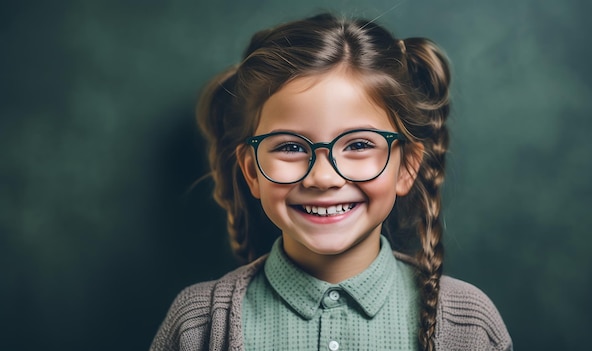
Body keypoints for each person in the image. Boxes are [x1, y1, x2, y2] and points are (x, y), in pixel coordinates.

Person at [150, 13, 512, 351]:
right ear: (251, 171)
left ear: (406, 168)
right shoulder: (196, 324)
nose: (323, 177)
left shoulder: (469, 324)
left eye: (358, 145)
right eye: (291, 147)